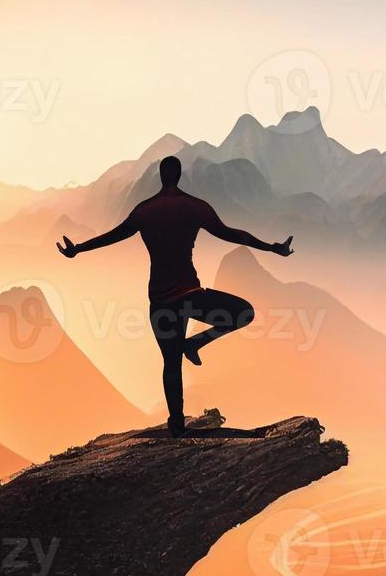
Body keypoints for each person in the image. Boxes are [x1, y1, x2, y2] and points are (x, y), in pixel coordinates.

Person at [57, 156, 294, 434]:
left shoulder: (145, 211)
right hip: (191, 297)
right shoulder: (194, 207)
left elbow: (114, 236)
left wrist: (78, 249)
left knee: (171, 363)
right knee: (244, 313)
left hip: (160, 302)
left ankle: (177, 424)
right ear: (179, 176)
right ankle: (196, 343)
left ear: (160, 176)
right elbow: (231, 234)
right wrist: (271, 247)